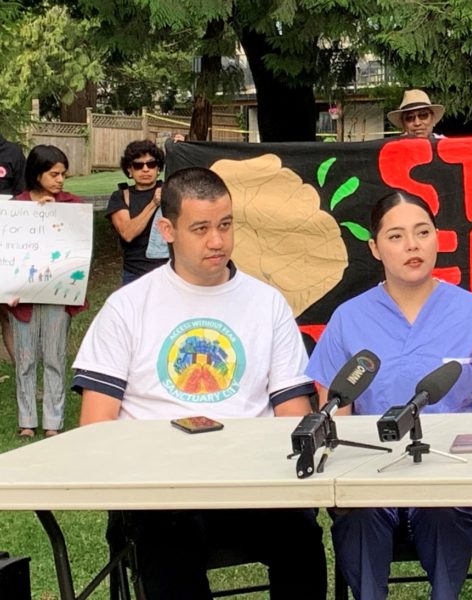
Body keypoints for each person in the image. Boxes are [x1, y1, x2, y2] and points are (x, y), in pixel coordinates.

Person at [71, 167, 327, 600]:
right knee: (168, 544)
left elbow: (293, 419)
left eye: (226, 225)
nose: (217, 241)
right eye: (201, 228)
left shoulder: (267, 304)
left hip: (250, 483)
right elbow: (95, 429)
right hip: (162, 491)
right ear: (167, 230)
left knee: (301, 540)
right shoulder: (128, 306)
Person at [306, 191, 472, 600]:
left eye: (422, 232)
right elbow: (335, 420)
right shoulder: (348, 319)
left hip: (455, 474)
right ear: (374, 247)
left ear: (437, 238)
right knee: (359, 514)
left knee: (442, 506)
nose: (412, 246)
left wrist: (466, 475)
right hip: (372, 476)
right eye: (396, 236)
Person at [5, 145, 86, 439]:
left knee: (54, 356)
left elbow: (79, 247)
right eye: (54, 174)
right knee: (25, 359)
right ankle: (26, 420)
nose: (60, 180)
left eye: (63, 174)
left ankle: (54, 421)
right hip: (23, 297)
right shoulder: (17, 207)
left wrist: (55, 215)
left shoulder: (72, 205)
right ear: (37, 174)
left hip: (57, 295)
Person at [106, 140, 168, 284]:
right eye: (138, 165)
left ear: (158, 168)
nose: (145, 169)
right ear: (130, 170)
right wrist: (154, 204)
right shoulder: (121, 196)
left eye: (151, 164)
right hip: (134, 274)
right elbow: (127, 233)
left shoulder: (172, 190)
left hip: (168, 271)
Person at [0, 134, 25, 363]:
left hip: (7, 244)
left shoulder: (12, 152)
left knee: (8, 313)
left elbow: (23, 195)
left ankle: (22, 376)